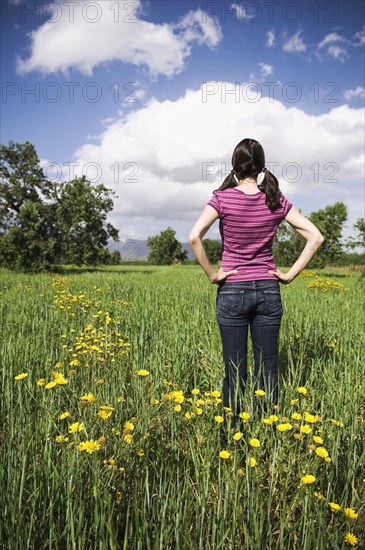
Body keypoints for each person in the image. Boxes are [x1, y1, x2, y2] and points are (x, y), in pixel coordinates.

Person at [188, 138, 324, 431]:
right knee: (268, 369)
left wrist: (213, 274)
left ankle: (232, 436)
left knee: (234, 371)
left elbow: (194, 237)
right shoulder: (274, 199)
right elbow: (316, 237)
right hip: (268, 290)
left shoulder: (222, 198)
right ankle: (269, 432)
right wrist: (289, 275)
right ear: (261, 167)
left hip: (232, 290)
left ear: (234, 167)